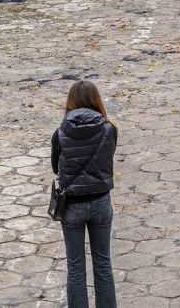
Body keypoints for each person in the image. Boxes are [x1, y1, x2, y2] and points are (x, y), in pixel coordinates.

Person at [51, 80, 119, 308]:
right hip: (100, 202)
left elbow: (55, 168)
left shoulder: (60, 133)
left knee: (76, 267)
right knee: (103, 264)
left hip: (72, 206)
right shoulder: (110, 129)